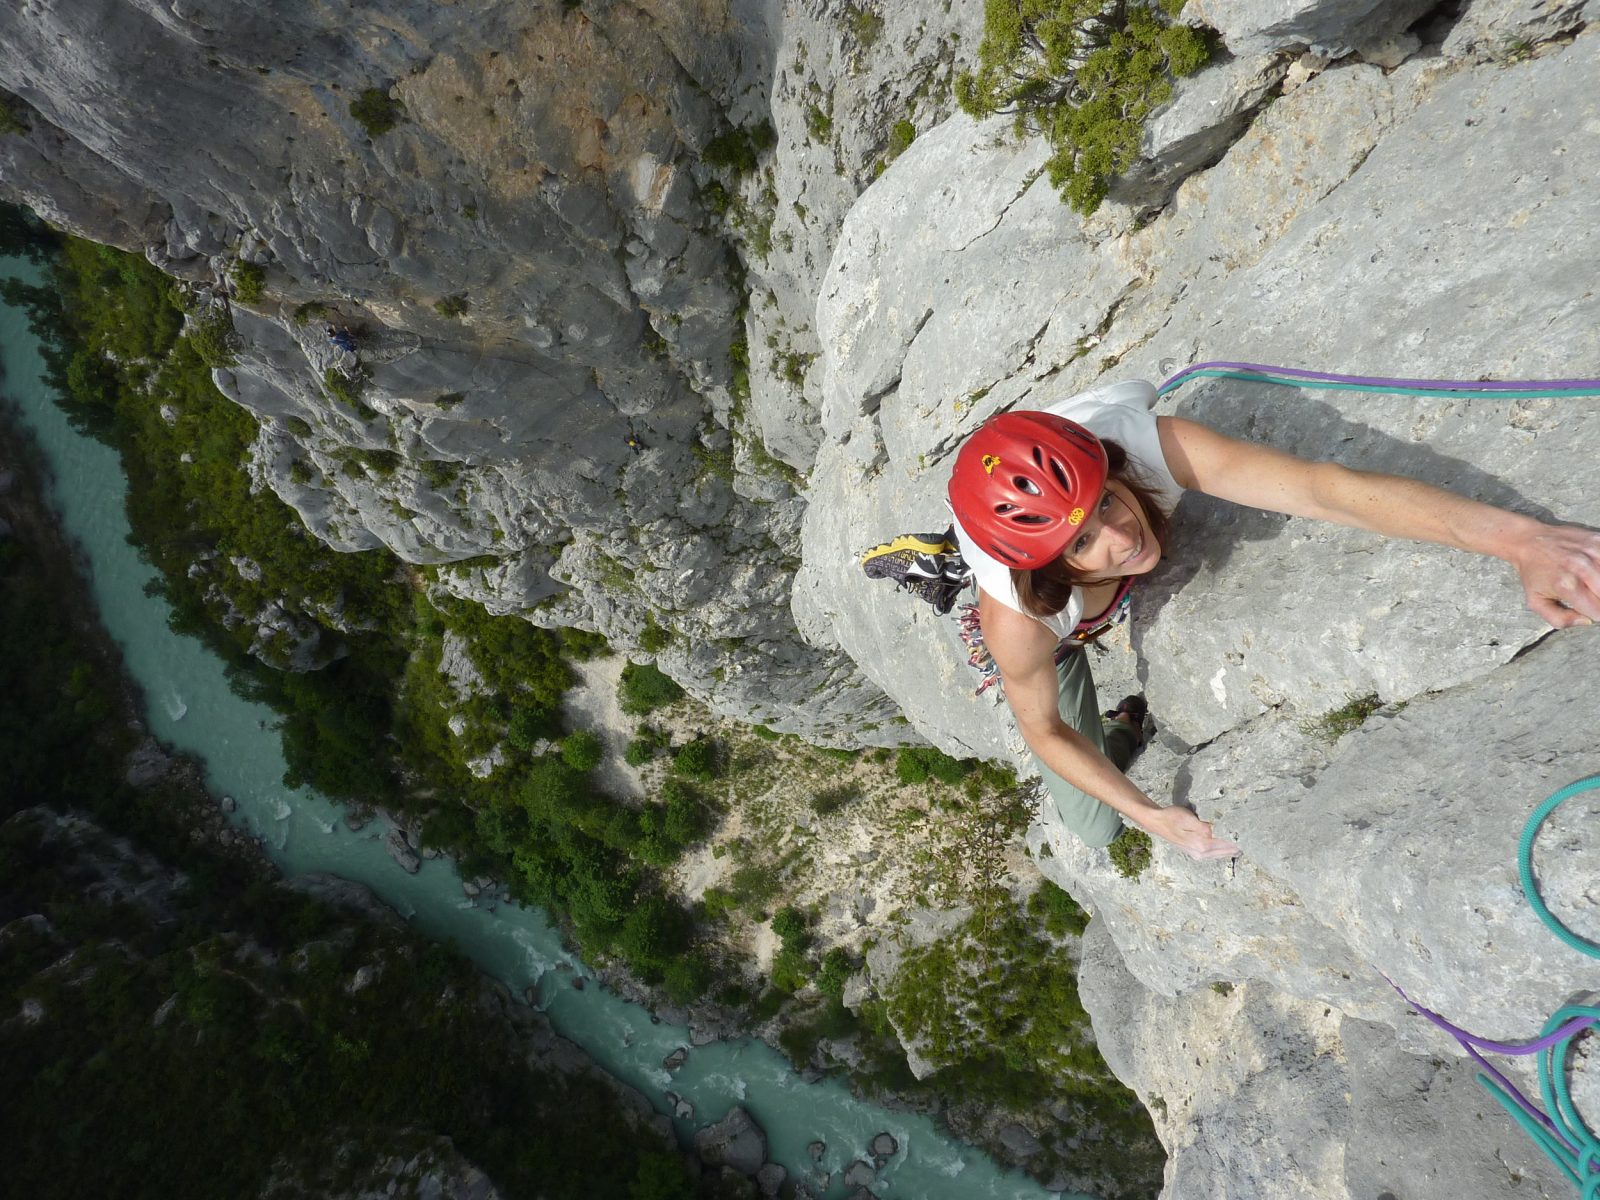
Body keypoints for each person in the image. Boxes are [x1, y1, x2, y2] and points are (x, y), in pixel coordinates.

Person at [948, 380, 1600, 861]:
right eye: (1085, 542)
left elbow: (1326, 488)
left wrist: (1522, 541)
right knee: (1097, 829)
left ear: (1115, 472)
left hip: (1093, 424)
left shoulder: (1145, 447)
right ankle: (1122, 724)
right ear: (1055, 568)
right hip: (1067, 626)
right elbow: (1044, 728)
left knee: (1126, 432)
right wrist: (1149, 813)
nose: (1122, 537)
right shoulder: (1024, 613)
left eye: (1112, 504)